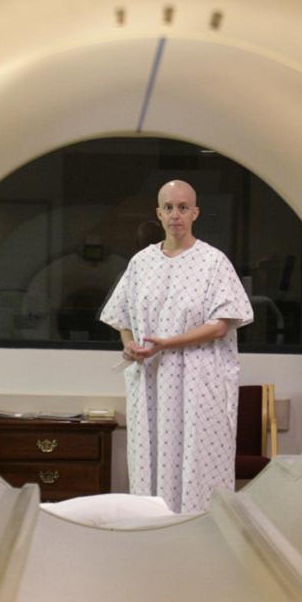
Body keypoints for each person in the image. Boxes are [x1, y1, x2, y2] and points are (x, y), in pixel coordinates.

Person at [100, 180, 253, 513]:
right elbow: (122, 317)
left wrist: (166, 343)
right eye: (168, 208)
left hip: (199, 381)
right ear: (158, 213)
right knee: (150, 460)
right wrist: (130, 346)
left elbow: (219, 325)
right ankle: (152, 535)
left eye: (183, 207)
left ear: (195, 213)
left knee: (198, 462)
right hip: (152, 381)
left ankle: (201, 538)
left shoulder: (214, 263)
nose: (175, 215)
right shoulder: (141, 263)